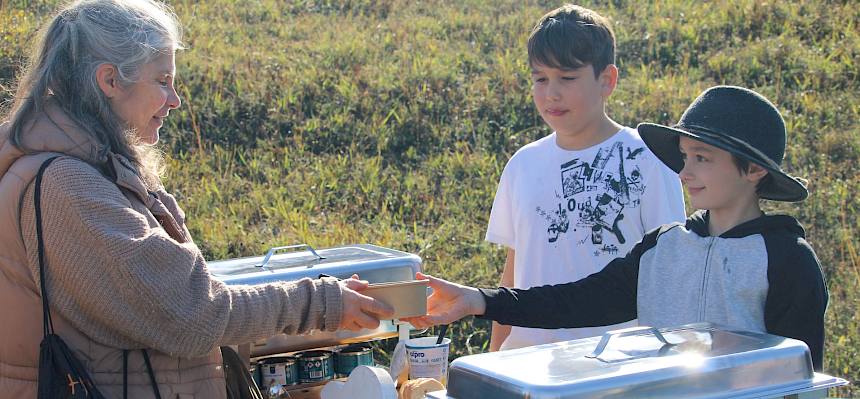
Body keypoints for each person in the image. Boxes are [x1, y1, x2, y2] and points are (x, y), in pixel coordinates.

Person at [0, 0, 393, 397]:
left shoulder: (88, 168)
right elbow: (191, 314)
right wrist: (319, 303)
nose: (175, 100)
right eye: (162, 80)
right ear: (110, 81)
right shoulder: (68, 185)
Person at [405, 86, 829, 371]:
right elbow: (579, 300)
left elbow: (800, 372)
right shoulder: (664, 248)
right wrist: (480, 300)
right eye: (684, 156)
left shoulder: (787, 259)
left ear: (753, 169)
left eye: (702, 158)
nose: (685, 172)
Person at [487, 4, 685, 351]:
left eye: (567, 78)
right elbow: (512, 273)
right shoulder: (523, 164)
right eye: (540, 78)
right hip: (525, 364)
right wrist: (491, 365)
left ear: (607, 80)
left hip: (614, 369)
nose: (551, 93)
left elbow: (668, 275)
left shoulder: (648, 158)